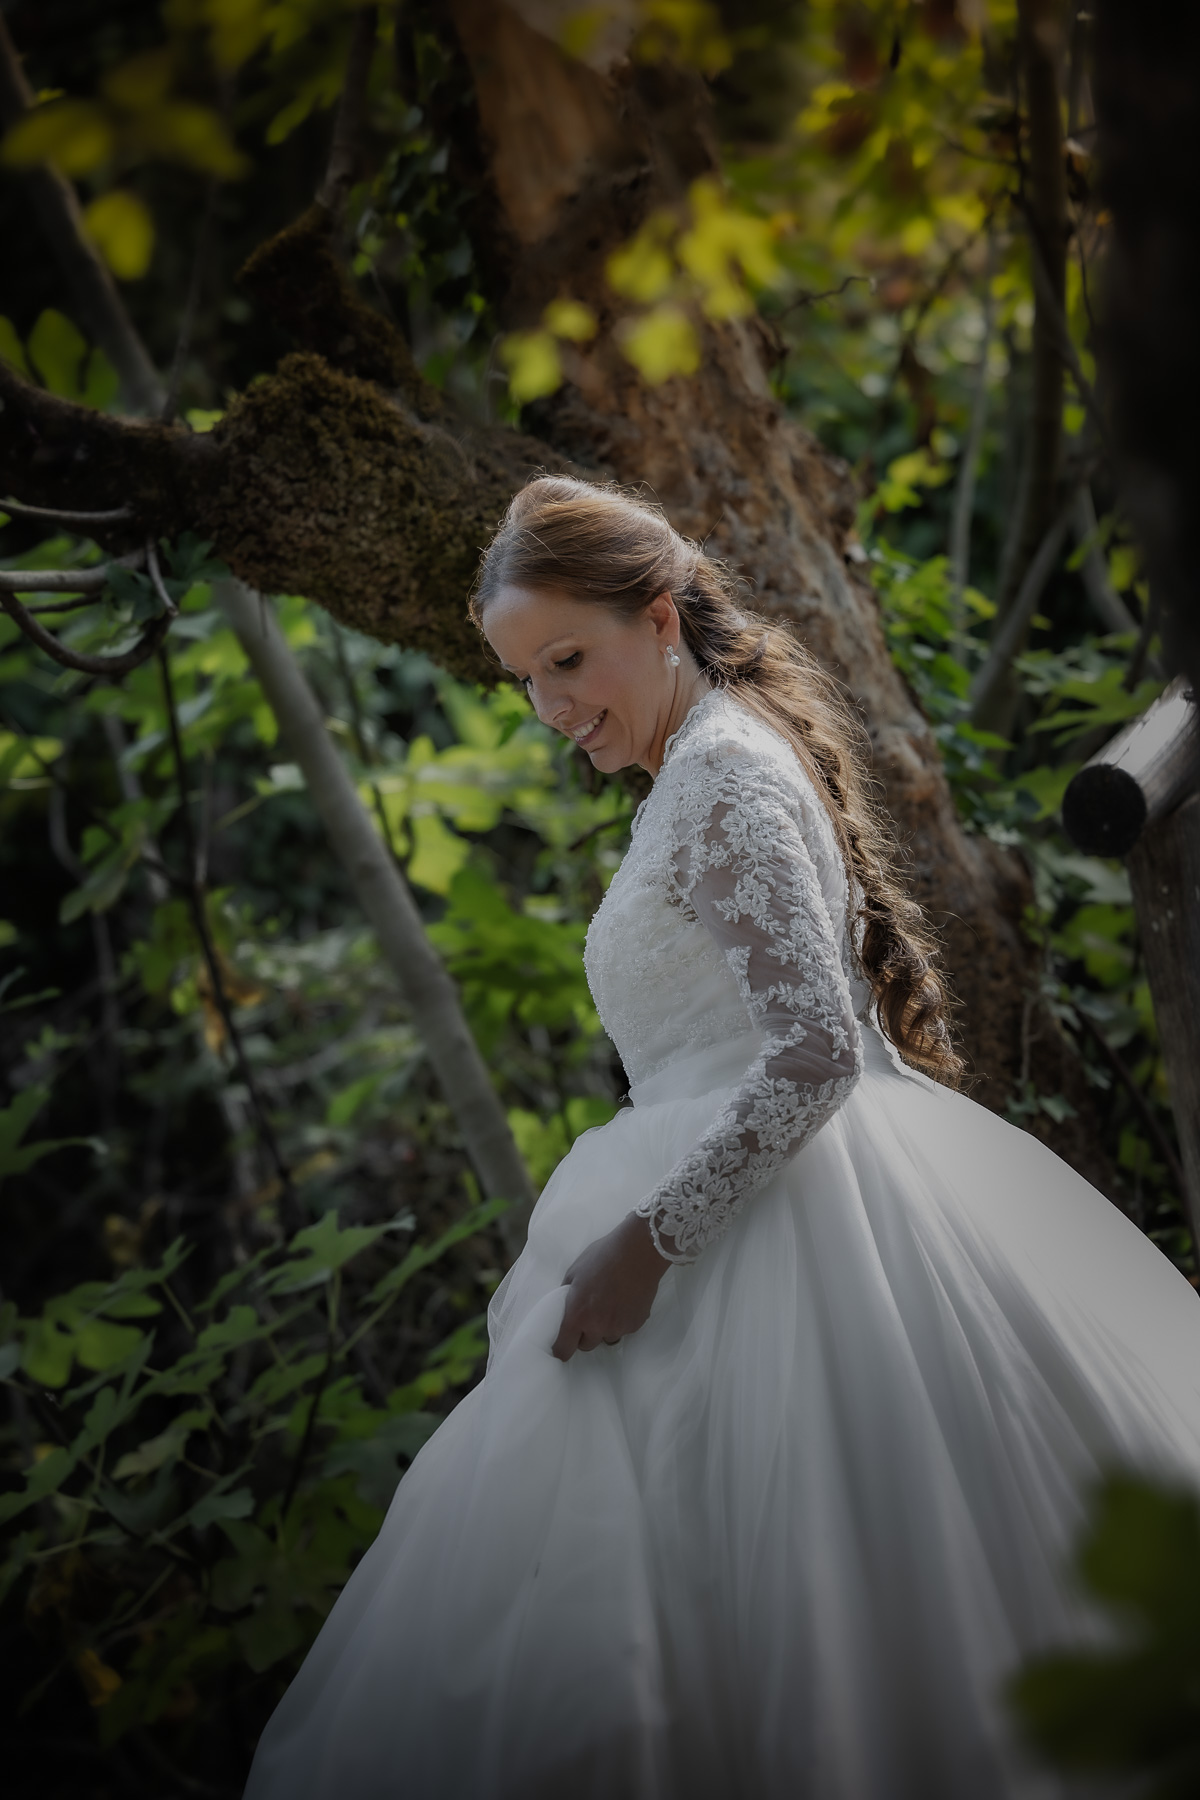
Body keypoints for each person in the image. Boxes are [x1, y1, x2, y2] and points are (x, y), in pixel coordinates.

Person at [244, 478, 1200, 1799]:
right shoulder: (698, 765)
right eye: (523, 677)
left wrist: (650, 1243)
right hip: (746, 1192)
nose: (552, 705)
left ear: (659, 616)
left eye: (567, 661)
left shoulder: (725, 776)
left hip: (777, 1224)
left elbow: (810, 1053)